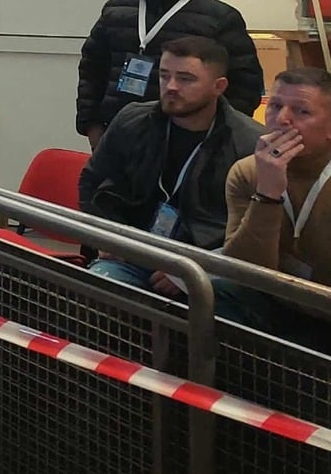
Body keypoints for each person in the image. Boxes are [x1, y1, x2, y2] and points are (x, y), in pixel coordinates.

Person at [80, 36, 263, 307]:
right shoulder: (133, 120)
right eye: (165, 76)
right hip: (132, 253)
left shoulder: (249, 144)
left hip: (206, 267)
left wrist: (192, 271)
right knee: (97, 293)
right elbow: (91, 181)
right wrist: (104, 236)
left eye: (186, 79)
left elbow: (253, 233)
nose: (171, 86)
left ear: (219, 87)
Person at [78, 0, 260, 149]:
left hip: (188, 141)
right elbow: (91, 70)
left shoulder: (220, 19)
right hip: (118, 135)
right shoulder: (117, 9)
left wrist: (218, 138)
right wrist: (92, 126)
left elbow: (245, 86)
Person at [224, 69, 331, 294]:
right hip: (270, 298)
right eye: (275, 106)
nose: (282, 119)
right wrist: (266, 194)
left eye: (302, 111)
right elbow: (242, 273)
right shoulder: (248, 172)